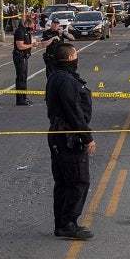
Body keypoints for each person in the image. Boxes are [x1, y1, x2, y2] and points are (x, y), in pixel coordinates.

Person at [46, 43, 96, 239]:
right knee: (78, 180)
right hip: (68, 137)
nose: (77, 59)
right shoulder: (66, 80)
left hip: (60, 135)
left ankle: (61, 223)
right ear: (68, 58)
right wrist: (87, 137)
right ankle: (68, 223)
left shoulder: (56, 76)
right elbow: (74, 112)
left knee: (64, 182)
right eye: (75, 55)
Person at [12, 18, 37, 106]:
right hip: (20, 56)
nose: (33, 27)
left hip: (25, 57)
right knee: (21, 78)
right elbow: (20, 46)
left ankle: (24, 97)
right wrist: (32, 45)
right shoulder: (20, 31)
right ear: (28, 23)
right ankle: (20, 99)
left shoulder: (26, 31)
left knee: (24, 77)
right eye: (32, 25)